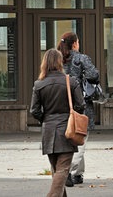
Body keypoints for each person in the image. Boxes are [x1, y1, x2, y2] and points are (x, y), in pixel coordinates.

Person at [30, 48, 85, 197]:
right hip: (66, 130)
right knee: (62, 170)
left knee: (56, 169)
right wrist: (70, 115)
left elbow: (34, 110)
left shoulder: (39, 84)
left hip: (48, 131)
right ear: (60, 62)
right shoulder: (70, 81)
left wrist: (45, 119)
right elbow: (81, 105)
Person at [57, 32, 100, 187]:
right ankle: (67, 171)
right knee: (80, 139)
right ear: (75, 43)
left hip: (60, 105)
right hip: (80, 105)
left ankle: (78, 174)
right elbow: (94, 75)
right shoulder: (81, 58)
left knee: (69, 137)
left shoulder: (56, 59)